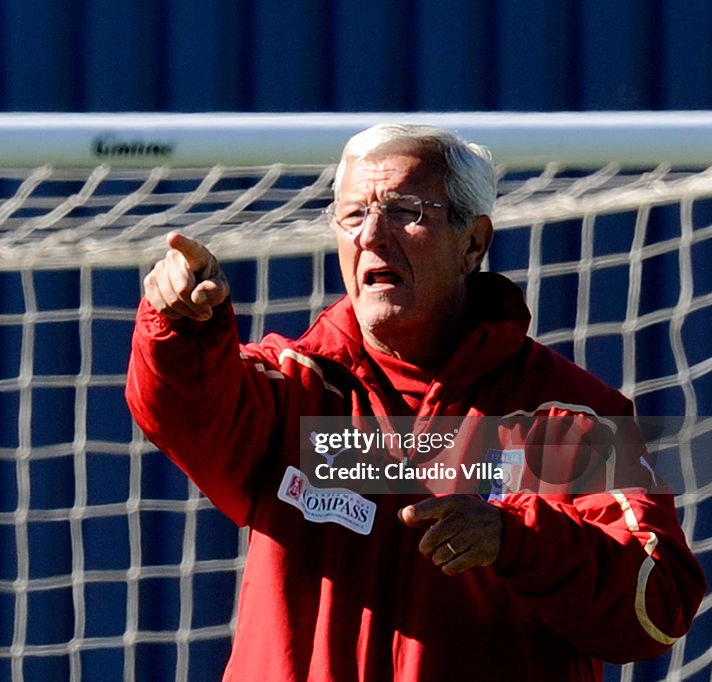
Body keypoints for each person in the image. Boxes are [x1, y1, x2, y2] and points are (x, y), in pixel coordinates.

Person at [125, 123, 705, 680]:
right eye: (353, 214)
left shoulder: (572, 418)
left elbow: (658, 607)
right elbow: (182, 407)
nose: (371, 236)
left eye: (406, 212)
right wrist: (180, 326)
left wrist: (518, 540)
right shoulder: (291, 390)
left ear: (472, 242)